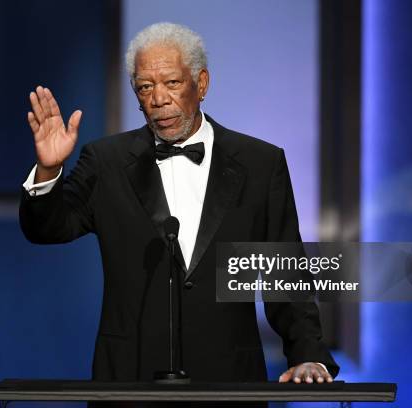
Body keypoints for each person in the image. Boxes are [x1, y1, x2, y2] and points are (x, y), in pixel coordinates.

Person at [19, 22, 339, 391]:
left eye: (171, 83)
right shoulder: (106, 161)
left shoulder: (260, 163)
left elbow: (285, 269)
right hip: (130, 381)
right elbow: (47, 228)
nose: (158, 99)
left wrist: (306, 355)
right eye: (145, 87)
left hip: (229, 382)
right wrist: (49, 168)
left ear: (201, 84)